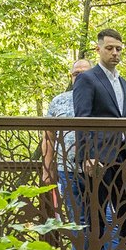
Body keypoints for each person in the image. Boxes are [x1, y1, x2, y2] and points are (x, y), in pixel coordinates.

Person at [68, 29, 126, 250]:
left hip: (121, 159)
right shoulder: (87, 79)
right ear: (98, 49)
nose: (115, 53)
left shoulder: (124, 84)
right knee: (95, 212)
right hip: (97, 158)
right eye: (109, 48)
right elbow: (82, 119)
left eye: (118, 49)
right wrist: (85, 156)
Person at [42, 55, 98, 235]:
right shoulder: (58, 101)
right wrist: (47, 169)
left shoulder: (101, 98)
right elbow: (48, 137)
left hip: (99, 169)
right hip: (67, 170)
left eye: (84, 73)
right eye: (76, 74)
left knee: (105, 219)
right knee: (77, 221)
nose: (79, 77)